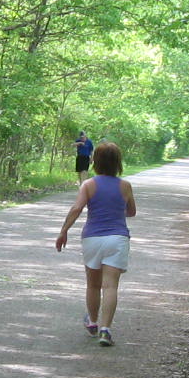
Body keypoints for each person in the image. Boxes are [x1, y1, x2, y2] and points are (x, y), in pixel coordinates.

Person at [55, 141, 135, 347]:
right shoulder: (125, 186)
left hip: (92, 238)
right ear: (118, 163)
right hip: (117, 238)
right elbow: (131, 211)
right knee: (110, 286)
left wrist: (63, 231)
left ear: (95, 161)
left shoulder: (88, 185)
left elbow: (76, 209)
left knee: (93, 284)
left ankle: (92, 322)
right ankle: (105, 329)